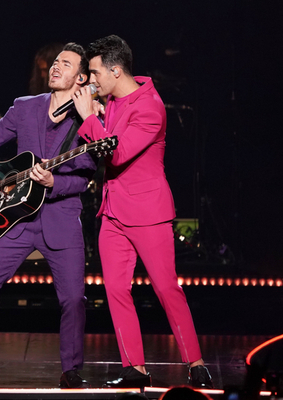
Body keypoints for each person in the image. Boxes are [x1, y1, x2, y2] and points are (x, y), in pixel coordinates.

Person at [0, 43, 97, 388]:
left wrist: (54, 182)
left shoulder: (87, 121)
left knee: (74, 300)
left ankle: (71, 370)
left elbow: (85, 179)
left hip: (61, 220)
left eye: (66, 64)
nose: (56, 66)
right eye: (56, 61)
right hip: (15, 219)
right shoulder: (25, 106)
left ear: (81, 78)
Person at [71, 35, 213, 389]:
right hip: (113, 212)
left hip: (147, 211)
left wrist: (88, 117)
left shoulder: (150, 107)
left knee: (166, 289)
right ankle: (134, 367)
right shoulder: (113, 100)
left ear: (116, 71)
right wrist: (96, 114)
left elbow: (117, 154)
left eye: (95, 73)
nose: (91, 80)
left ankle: (195, 362)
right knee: (116, 290)